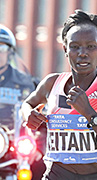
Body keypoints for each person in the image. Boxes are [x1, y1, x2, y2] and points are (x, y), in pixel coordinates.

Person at [21, 9, 97, 180]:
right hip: (56, 175)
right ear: (65, 49)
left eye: (90, 46)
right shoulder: (53, 83)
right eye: (75, 46)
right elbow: (27, 104)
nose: (82, 53)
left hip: (96, 176)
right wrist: (28, 114)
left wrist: (89, 113)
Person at [0, 24, 46, 180]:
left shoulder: (27, 84)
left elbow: (43, 116)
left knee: (41, 166)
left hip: (14, 147)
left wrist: (39, 146)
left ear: (10, 52)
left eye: (2, 48)